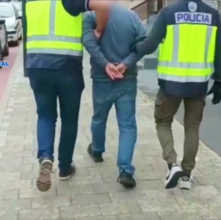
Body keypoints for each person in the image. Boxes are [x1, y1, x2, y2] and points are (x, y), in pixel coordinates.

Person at [133, 0, 221, 190]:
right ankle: (186, 176)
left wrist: (132, 51)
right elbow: (219, 50)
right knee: (192, 128)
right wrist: (219, 81)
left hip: (171, 84)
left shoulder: (168, 13)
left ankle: (172, 165)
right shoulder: (212, 15)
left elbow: (150, 45)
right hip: (198, 84)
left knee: (163, 122)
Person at [24, 0, 112, 192]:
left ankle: (46, 156)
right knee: (69, 120)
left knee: (45, 115)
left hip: (37, 66)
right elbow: (104, 5)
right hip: (67, 68)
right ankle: (64, 168)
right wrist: (98, 29)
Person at [82, 3, 146, 188]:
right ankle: (125, 170)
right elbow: (143, 43)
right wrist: (126, 63)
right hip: (126, 80)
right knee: (127, 125)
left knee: (99, 118)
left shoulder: (91, 16)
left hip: (102, 80)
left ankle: (97, 150)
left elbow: (88, 42)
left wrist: (104, 64)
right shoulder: (132, 17)